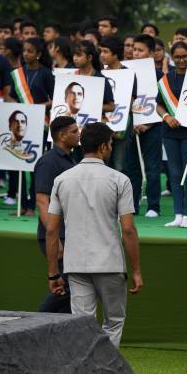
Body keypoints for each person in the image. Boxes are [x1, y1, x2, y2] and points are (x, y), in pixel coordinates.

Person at [45, 122, 143, 348]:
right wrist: (136, 270)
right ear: (103, 147)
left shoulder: (62, 180)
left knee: (82, 324)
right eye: (110, 143)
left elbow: (52, 230)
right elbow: (128, 229)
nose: (110, 147)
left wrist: (52, 273)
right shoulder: (120, 180)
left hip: (76, 263)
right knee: (114, 322)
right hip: (109, 263)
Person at [157, 42, 187, 229]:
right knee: (175, 174)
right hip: (170, 133)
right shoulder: (166, 79)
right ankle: (177, 214)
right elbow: (159, 104)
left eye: (185, 56)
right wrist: (166, 116)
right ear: (172, 58)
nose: (181, 60)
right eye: (177, 57)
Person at [34, 116, 79, 313]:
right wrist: (55, 240)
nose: (79, 134)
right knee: (67, 286)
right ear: (62, 136)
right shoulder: (48, 162)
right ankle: (36, 326)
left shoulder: (71, 158)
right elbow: (42, 201)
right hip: (56, 236)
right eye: (75, 131)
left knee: (72, 288)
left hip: (67, 233)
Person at [9, 37, 54, 216]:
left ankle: (33, 205)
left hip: (40, 124)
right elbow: (11, 96)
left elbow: (55, 98)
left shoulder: (46, 74)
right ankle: (22, 205)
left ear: (39, 54)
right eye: (25, 51)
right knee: (20, 162)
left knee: (35, 164)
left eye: (30, 51)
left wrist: (40, 107)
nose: (26, 54)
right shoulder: (18, 73)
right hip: (21, 124)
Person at [128, 34, 164, 217]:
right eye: (134, 50)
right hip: (131, 128)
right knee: (132, 168)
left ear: (150, 53)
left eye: (140, 50)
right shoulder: (125, 72)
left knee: (152, 168)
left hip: (153, 127)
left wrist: (148, 123)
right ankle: (132, 204)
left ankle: (153, 206)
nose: (135, 53)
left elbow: (162, 103)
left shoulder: (160, 75)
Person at [100, 35, 137, 173]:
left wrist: (116, 124)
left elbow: (130, 102)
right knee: (103, 164)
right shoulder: (100, 73)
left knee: (119, 165)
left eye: (105, 51)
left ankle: (120, 194)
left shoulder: (128, 74)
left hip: (122, 127)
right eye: (101, 51)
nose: (102, 55)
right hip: (102, 125)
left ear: (115, 54)